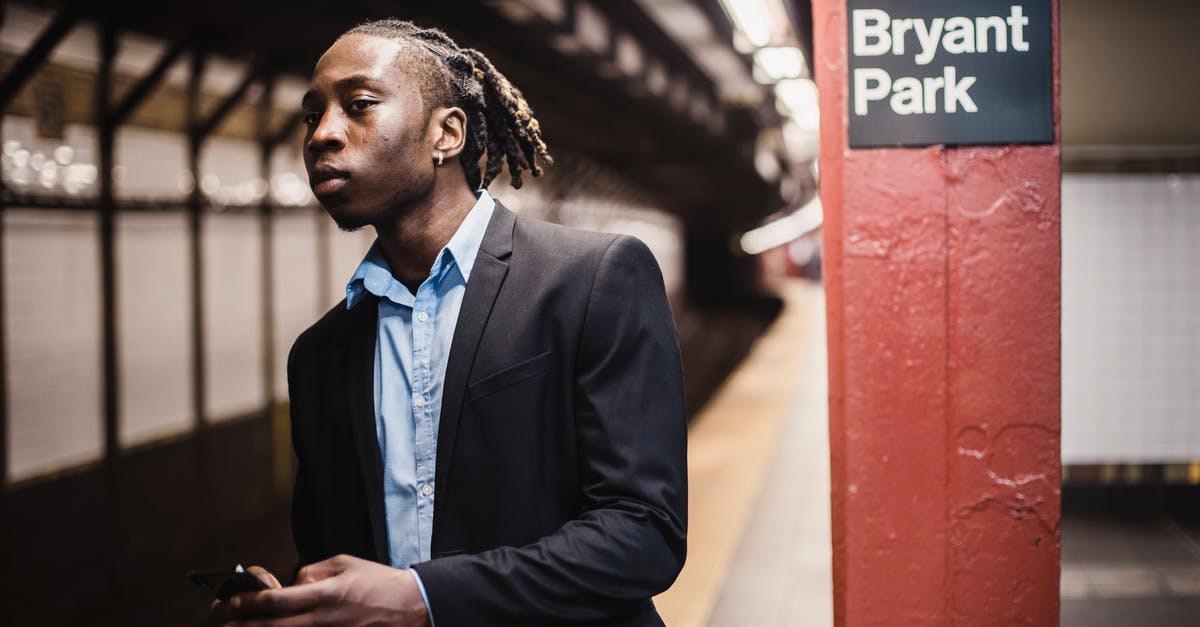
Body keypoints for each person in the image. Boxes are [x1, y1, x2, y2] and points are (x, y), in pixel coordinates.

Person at [219, 18, 687, 627]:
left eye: (358, 105)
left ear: (447, 133)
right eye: (313, 116)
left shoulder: (592, 280)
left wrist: (425, 598)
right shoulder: (320, 355)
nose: (322, 135)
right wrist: (296, 603)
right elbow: (341, 560)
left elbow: (644, 533)